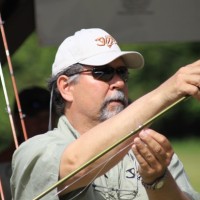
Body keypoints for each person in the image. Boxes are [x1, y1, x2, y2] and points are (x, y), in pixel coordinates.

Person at [10, 28, 200, 200]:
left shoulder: (149, 151)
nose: (119, 82)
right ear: (66, 87)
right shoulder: (33, 151)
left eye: (122, 73)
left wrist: (158, 180)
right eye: (103, 72)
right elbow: (75, 164)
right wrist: (168, 91)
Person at [0, 86, 57, 200]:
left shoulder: (66, 152)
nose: (42, 124)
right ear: (16, 121)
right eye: (34, 118)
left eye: (47, 117)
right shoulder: (2, 165)